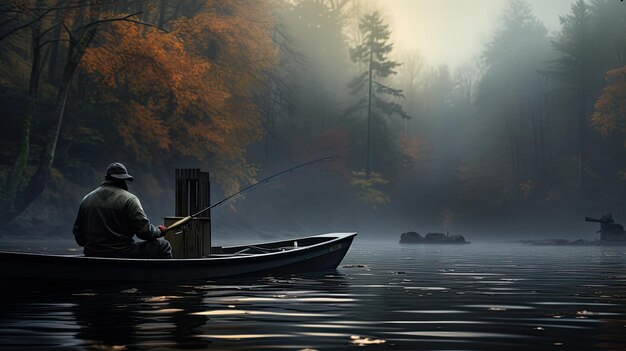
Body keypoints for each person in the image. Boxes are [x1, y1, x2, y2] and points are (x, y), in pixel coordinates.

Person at [73, 162, 172, 259]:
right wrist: (159, 231)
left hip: (92, 253)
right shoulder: (129, 199)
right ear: (123, 179)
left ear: (106, 178)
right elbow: (144, 232)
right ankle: (163, 274)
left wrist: (93, 246)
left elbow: (78, 233)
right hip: (123, 252)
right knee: (164, 245)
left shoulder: (86, 199)